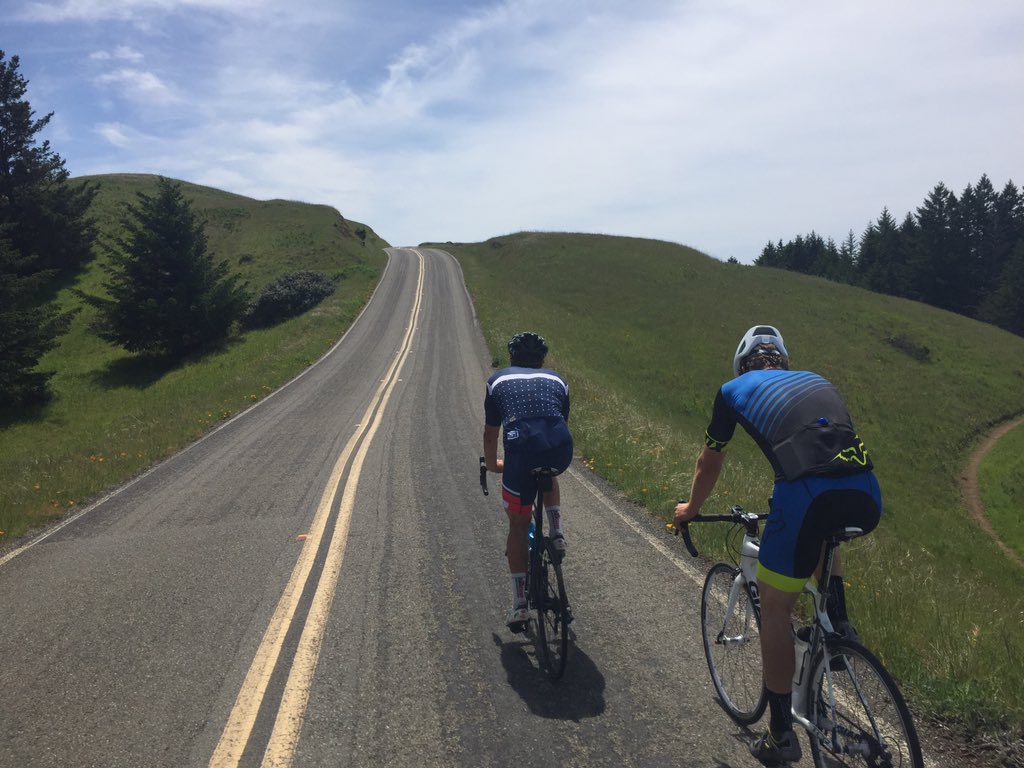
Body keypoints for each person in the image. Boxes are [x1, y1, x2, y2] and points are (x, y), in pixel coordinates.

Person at [674, 325, 881, 766]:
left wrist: (690, 508)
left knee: (775, 608)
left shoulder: (732, 390)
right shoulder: (819, 379)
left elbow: (709, 461)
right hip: (866, 492)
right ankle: (839, 627)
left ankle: (781, 735)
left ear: (743, 364)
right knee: (826, 530)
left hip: (805, 495)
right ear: (783, 361)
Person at [483, 331, 573, 632]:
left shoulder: (497, 381)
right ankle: (557, 532)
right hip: (559, 446)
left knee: (518, 526)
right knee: (548, 470)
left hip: (520, 451)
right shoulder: (558, 379)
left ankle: (520, 605)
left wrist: (495, 465)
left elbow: (491, 433)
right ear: (542, 360)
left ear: (511, 357)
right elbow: (559, 420)